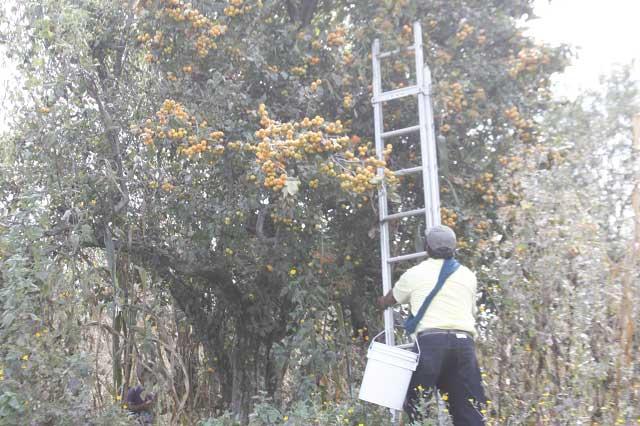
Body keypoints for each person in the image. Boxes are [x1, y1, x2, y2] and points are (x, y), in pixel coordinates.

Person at [377, 225, 487, 425]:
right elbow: (470, 311)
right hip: (464, 346)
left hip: (430, 344)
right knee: (469, 412)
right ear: (454, 249)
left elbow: (393, 298)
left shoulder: (414, 274)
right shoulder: (468, 276)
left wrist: (381, 302)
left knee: (417, 406)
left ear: (427, 247)